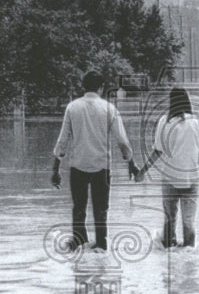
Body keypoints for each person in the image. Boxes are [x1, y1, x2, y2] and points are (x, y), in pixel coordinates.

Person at [52, 70, 138, 251]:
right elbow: (122, 140)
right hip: (101, 167)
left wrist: (55, 169)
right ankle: (101, 244)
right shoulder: (108, 109)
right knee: (101, 210)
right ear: (101, 88)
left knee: (79, 208)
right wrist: (131, 163)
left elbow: (63, 140)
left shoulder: (72, 107)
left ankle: (78, 241)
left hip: (78, 166)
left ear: (84, 87)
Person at [135, 87, 199, 248]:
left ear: (171, 102)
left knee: (169, 219)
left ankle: (169, 256)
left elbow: (158, 151)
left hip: (170, 178)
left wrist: (142, 172)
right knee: (189, 222)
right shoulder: (196, 122)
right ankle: (190, 259)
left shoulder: (165, 121)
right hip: (192, 177)